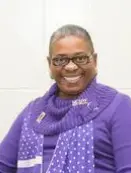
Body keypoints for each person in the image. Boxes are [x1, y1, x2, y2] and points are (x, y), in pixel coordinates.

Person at [0, 24, 131, 173]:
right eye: (60, 60)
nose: (70, 67)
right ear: (50, 64)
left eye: (80, 58)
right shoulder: (33, 113)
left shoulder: (118, 106)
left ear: (94, 60)